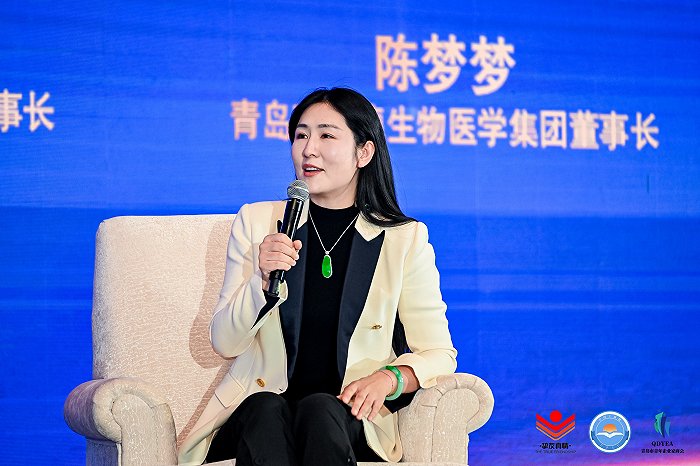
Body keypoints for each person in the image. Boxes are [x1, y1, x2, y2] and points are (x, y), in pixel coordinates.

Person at [177, 87, 457, 466]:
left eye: (326, 135)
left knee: (320, 410)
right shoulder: (258, 221)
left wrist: (390, 378)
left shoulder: (403, 239)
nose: (309, 149)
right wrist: (262, 282)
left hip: (344, 419)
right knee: (265, 408)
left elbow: (439, 353)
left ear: (364, 153)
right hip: (259, 418)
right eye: (301, 135)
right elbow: (225, 342)